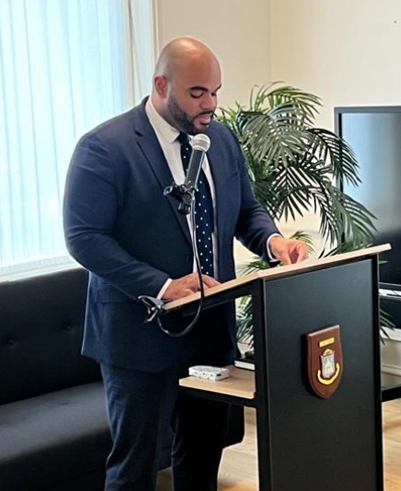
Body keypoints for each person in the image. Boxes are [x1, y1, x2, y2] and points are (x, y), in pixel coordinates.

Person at [62, 36, 308, 491]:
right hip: (139, 334)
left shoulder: (220, 139)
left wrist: (273, 241)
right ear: (161, 85)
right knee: (135, 467)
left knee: (202, 455)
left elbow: (244, 210)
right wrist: (163, 285)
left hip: (210, 329)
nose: (210, 104)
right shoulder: (105, 147)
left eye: (215, 92)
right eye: (197, 93)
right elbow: (84, 238)